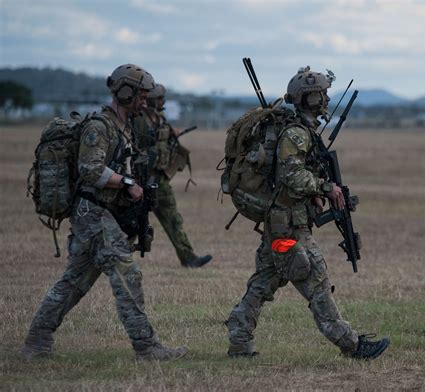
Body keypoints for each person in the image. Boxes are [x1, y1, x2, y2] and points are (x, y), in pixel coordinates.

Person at [21, 64, 188, 362]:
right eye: (140, 95)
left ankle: (37, 340)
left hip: (102, 214)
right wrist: (126, 183)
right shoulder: (99, 127)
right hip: (94, 214)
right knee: (128, 275)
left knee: (75, 282)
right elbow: (90, 169)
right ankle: (146, 347)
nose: (145, 102)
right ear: (124, 92)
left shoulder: (124, 128)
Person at [225, 66, 390, 360]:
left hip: (281, 224)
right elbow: (292, 176)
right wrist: (326, 188)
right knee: (316, 282)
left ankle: (239, 338)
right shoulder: (297, 134)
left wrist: (317, 194)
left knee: (264, 282)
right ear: (311, 99)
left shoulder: (301, 130)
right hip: (288, 228)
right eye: (322, 94)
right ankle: (351, 345)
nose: (326, 98)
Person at [133, 83, 212, 268]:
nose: (163, 101)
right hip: (139, 181)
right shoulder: (138, 119)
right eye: (160, 98)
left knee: (173, 219)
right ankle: (117, 258)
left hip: (160, 180)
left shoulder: (160, 119)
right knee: (131, 223)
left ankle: (189, 258)